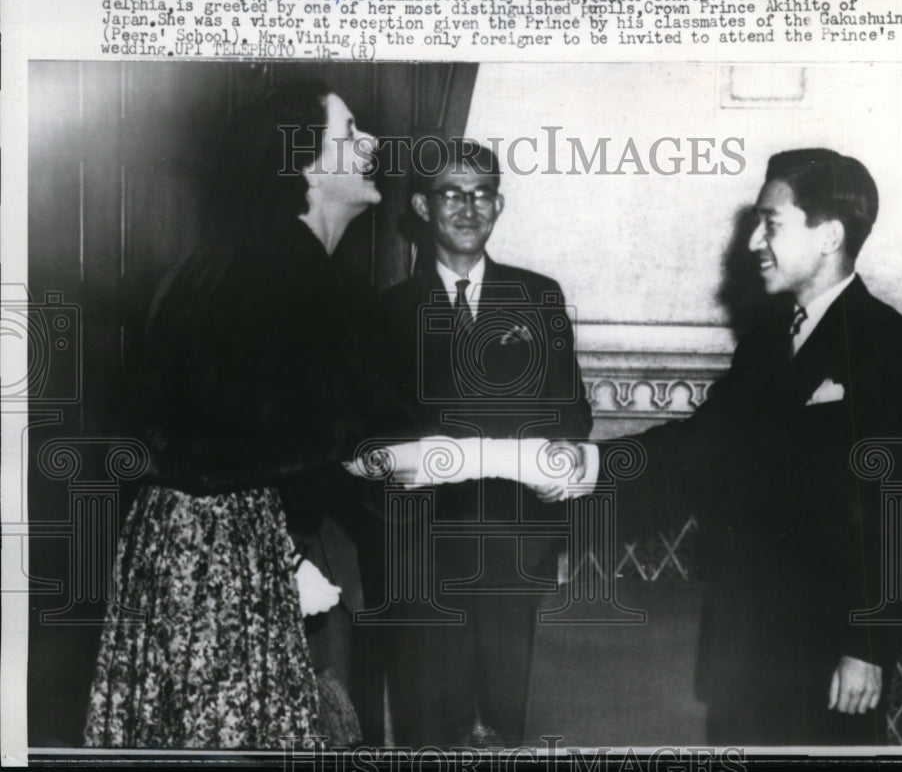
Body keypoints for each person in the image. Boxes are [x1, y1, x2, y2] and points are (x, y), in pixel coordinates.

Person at [565, 149, 902, 745]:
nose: (751, 243)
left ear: (830, 236)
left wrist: (867, 648)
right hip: (743, 652)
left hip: (828, 661)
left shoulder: (897, 350)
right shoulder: (767, 342)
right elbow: (697, 447)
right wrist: (585, 463)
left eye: (770, 224)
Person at [84, 80, 391, 748]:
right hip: (231, 559)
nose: (371, 145)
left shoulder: (250, 263)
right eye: (349, 134)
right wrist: (284, 562)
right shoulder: (278, 275)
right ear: (306, 166)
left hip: (202, 552)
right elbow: (215, 443)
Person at [373, 141, 593, 746]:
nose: (469, 208)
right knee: (428, 726)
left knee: (505, 723)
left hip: (514, 546)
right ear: (421, 205)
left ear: (499, 204)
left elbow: (571, 412)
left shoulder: (539, 297)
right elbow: (371, 436)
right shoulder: (382, 316)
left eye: (482, 194)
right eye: (452, 193)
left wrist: (565, 458)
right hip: (420, 553)